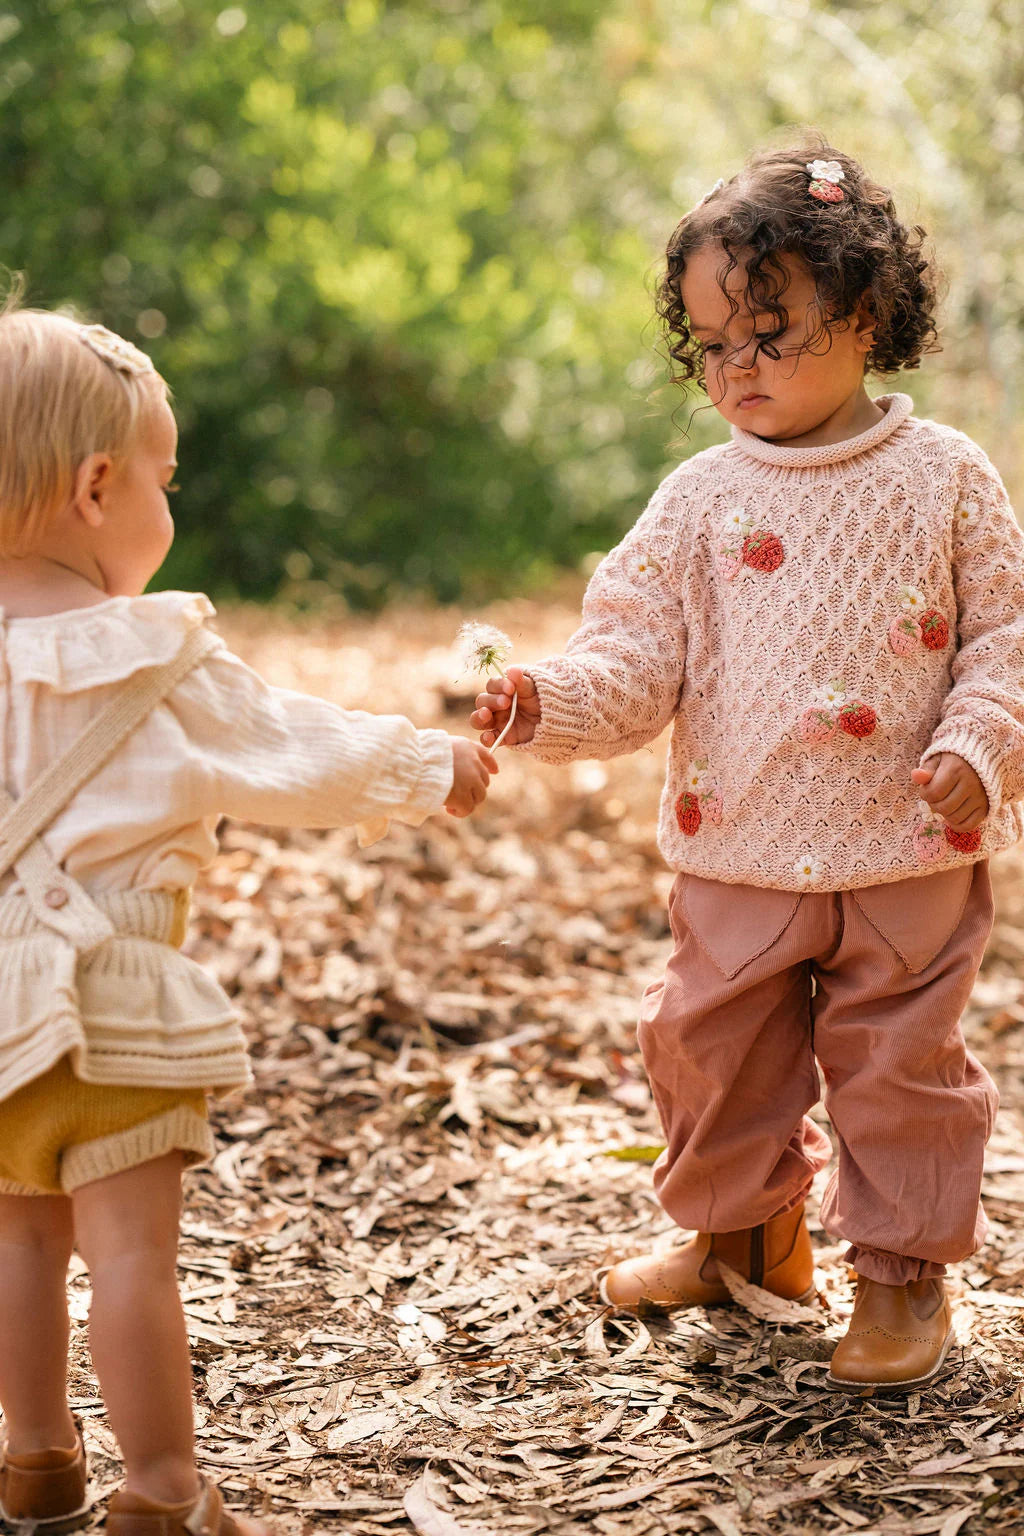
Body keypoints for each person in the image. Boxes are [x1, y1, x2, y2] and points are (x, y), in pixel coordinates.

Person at [471, 139, 1024, 1395]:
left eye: (769, 336)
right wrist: (540, 700)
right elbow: (633, 658)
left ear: (865, 313)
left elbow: (1008, 636)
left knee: (900, 1069)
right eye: (713, 345)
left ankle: (898, 1280)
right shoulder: (696, 496)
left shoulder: (944, 478)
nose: (737, 370)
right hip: (739, 843)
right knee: (703, 1051)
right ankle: (743, 1241)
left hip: (907, 847)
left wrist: (982, 742)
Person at [0, 296, 497, 1535]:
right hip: (114, 1001)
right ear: (98, 486)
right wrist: (429, 765)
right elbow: (295, 750)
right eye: (165, 484)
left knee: (15, 1246)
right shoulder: (157, 653)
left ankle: (34, 1467)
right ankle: (164, 1493)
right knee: (128, 1259)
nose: (170, 511)